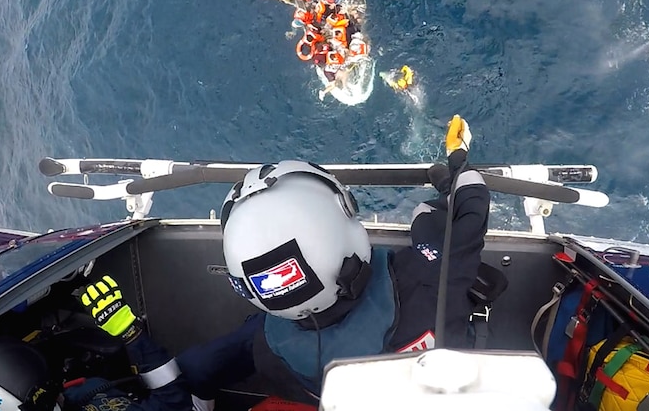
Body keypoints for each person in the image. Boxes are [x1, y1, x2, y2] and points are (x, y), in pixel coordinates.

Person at [177, 115, 489, 405]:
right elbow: (471, 206)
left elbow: (198, 367)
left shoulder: (267, 346)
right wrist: (456, 161)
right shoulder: (431, 276)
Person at [0, 276, 191, 411]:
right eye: (45, 396)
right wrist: (130, 332)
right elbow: (175, 403)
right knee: (199, 364)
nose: (53, 394)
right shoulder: (82, 393)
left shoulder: (76, 394)